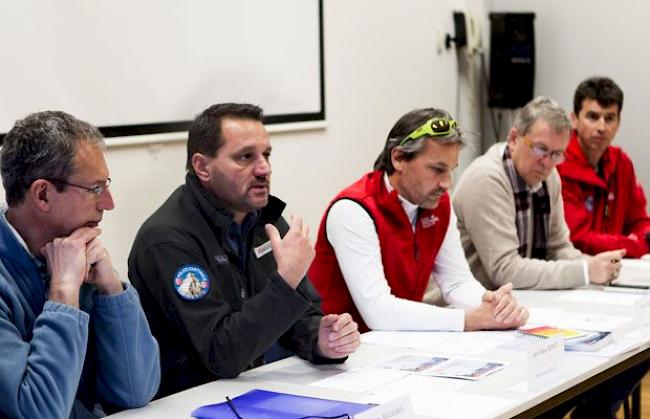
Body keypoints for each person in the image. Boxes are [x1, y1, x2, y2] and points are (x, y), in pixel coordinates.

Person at [128, 103, 360, 398]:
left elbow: (300, 318)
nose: (264, 168)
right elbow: (221, 354)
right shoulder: (167, 240)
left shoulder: (264, 218)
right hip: (195, 400)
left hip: (259, 386)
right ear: (202, 167)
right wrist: (285, 280)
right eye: (245, 157)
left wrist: (321, 340)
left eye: (266, 155)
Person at [308, 107, 528, 333]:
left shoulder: (438, 204)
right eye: (437, 170)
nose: (447, 183)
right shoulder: (353, 210)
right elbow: (379, 312)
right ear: (398, 158)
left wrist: (493, 305)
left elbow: (457, 283)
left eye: (451, 170)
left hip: (391, 344)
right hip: (332, 355)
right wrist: (467, 320)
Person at [0, 111, 160, 418]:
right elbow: (39, 413)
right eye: (95, 189)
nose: (109, 203)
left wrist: (111, 289)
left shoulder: (73, 249)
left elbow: (135, 391)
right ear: (43, 194)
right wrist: (63, 293)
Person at [453, 96, 625, 290]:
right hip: (459, 307)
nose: (547, 163)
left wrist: (596, 266)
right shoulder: (486, 179)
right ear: (513, 138)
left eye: (556, 154)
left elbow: (558, 248)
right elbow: (505, 270)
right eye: (540, 149)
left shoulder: (549, 177)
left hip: (510, 301)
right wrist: (585, 271)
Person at [557, 76, 650, 257]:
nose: (602, 127)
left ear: (618, 123)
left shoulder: (622, 163)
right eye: (593, 117)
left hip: (620, 269)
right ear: (574, 119)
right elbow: (577, 238)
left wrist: (642, 239)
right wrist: (635, 245)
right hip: (577, 269)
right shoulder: (559, 165)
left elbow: (640, 222)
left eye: (609, 118)